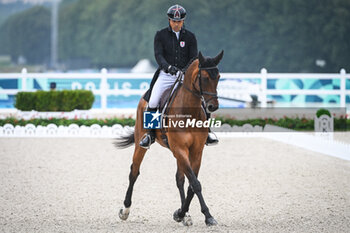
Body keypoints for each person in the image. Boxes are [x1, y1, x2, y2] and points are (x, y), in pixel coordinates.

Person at [140, 4, 218, 149]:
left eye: (179, 21)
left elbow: (194, 57)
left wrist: (185, 70)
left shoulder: (190, 37)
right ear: (169, 20)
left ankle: (207, 132)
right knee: (153, 101)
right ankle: (150, 135)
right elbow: (158, 55)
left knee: (201, 100)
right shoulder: (161, 35)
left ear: (183, 21)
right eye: (174, 21)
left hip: (184, 75)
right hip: (166, 75)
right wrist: (168, 67)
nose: (176, 24)